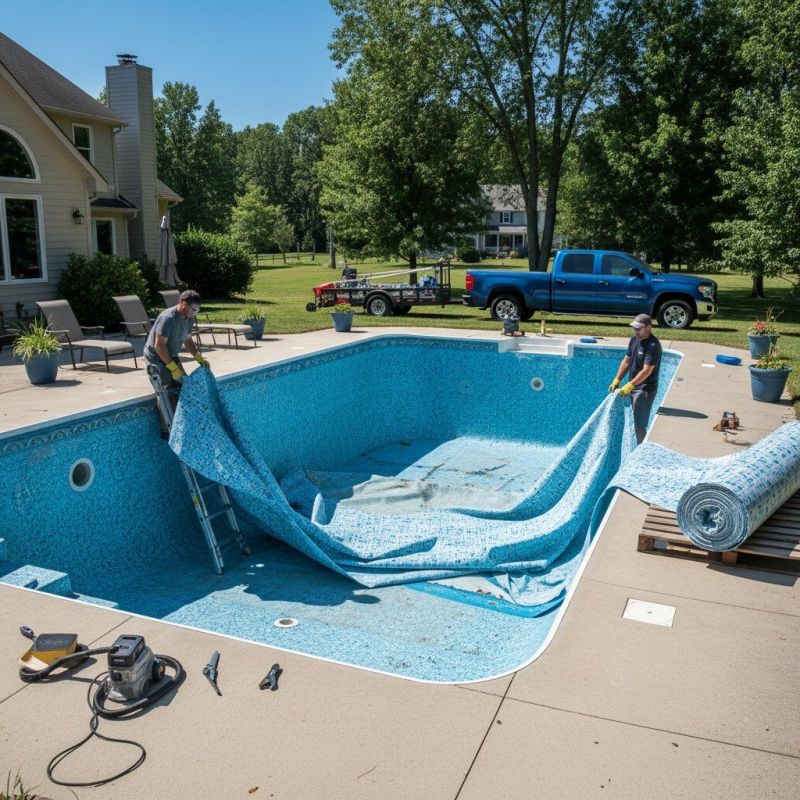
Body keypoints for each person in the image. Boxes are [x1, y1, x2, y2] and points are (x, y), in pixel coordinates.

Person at [144, 289, 210, 396]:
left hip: (171, 354)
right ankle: (166, 411)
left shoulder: (189, 318)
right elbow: (159, 346)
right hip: (155, 358)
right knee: (166, 391)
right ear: (183, 303)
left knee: (185, 386)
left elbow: (187, 339)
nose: (195, 312)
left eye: (197, 310)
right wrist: (173, 367)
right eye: (193, 309)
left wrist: (198, 358)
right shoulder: (168, 319)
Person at [609, 313, 662, 444]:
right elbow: (626, 361)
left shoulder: (653, 346)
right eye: (634, 328)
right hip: (633, 385)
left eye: (639, 328)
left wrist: (630, 385)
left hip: (645, 389)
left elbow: (647, 371)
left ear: (649, 328)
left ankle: (641, 451)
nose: (636, 331)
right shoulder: (634, 340)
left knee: (639, 423)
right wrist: (617, 379)